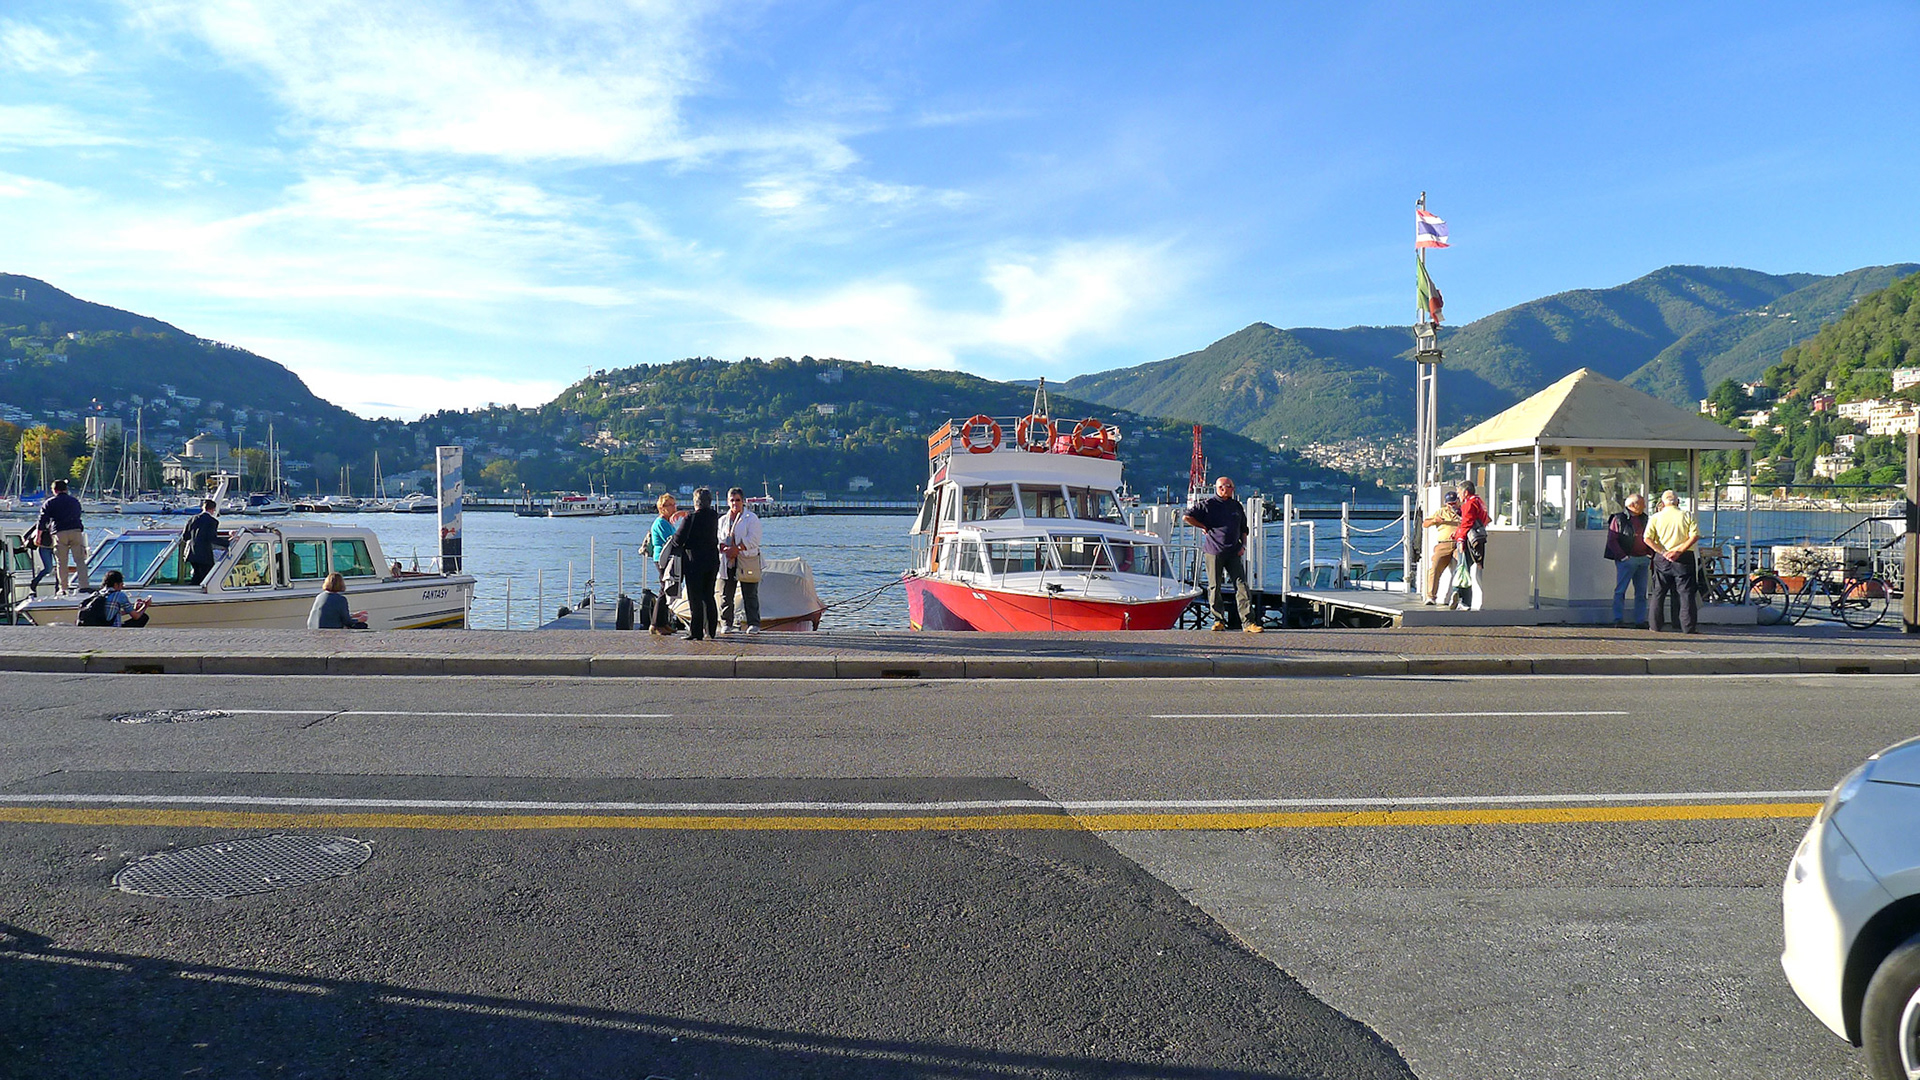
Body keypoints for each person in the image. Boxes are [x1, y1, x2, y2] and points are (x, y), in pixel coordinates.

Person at [1183, 476, 1261, 632]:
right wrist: (1203, 525)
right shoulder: (1208, 505)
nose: (1231, 489)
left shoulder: (1236, 506)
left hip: (1233, 551)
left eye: (1232, 487)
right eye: (1228, 487)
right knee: (1214, 586)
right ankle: (1218, 620)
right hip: (1214, 551)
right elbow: (1187, 517)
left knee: (1241, 585)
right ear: (1220, 488)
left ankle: (1248, 622)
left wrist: (1243, 546)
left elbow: (1244, 529)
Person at [667, 487, 721, 640]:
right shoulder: (713, 516)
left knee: (695, 598)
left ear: (695, 502)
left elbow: (678, 540)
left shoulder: (691, 518)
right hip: (712, 560)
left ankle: (696, 632)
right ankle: (711, 630)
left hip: (694, 562)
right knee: (709, 596)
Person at [1645, 489, 1699, 634]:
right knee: (1686, 593)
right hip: (1684, 557)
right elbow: (1694, 536)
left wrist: (1662, 552)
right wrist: (1679, 551)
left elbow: (1647, 538)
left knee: (1659, 592)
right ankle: (1688, 627)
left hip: (1662, 558)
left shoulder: (1655, 517)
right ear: (1678, 501)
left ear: (1662, 502)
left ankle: (1655, 626)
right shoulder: (1687, 515)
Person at [719, 487, 762, 634]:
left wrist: (736, 549)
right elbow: (718, 539)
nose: (735, 503)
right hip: (728, 561)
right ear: (728, 502)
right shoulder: (722, 520)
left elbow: (754, 539)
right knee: (726, 594)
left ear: (743, 501)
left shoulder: (751, 518)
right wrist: (725, 549)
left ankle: (754, 623)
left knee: (750, 593)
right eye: (732, 500)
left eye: (738, 500)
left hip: (746, 560)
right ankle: (726, 623)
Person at [1604, 493, 1652, 627]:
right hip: (1627, 559)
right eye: (1642, 503)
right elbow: (1612, 540)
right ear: (1632, 505)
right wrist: (1623, 556)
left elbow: (1651, 536)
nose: (1644, 506)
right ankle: (1618, 619)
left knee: (1641, 592)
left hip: (1643, 559)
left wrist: (1649, 554)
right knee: (1620, 590)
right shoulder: (1619, 519)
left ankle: (1640, 620)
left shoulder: (1645, 519)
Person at [35, 478, 87, 594]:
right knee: (80, 560)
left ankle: (63, 588)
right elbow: (79, 515)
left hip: (60, 532)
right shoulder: (75, 501)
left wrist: (38, 537)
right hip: (76, 531)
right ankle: (84, 586)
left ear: (54, 490)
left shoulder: (50, 502)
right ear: (66, 489)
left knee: (61, 562)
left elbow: (42, 520)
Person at [642, 494, 681, 635]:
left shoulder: (668, 522)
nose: (674, 507)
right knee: (665, 589)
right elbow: (671, 540)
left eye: (674, 504)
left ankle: (662, 622)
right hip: (662, 558)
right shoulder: (661, 523)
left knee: (666, 589)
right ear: (662, 507)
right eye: (671, 504)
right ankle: (656, 624)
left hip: (668, 557)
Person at [1450, 479, 1490, 608]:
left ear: (1466, 492)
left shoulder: (1469, 504)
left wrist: (1460, 538)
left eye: (1459, 492)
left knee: (1462, 568)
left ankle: (1462, 598)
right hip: (1478, 540)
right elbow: (1484, 519)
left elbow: (1467, 523)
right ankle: (1462, 598)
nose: (1458, 495)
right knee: (1466, 567)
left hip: (1468, 540)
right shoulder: (1480, 502)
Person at [1420, 491, 1461, 605]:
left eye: (1453, 503)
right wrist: (1435, 520)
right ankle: (1431, 597)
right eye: (1449, 504)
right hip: (1444, 544)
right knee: (1435, 568)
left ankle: (1459, 595)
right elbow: (1425, 523)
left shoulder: (1463, 511)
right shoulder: (1441, 512)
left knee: (1462, 567)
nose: (1451, 506)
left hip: (1459, 543)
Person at [178, 498, 225, 585]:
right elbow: (212, 538)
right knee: (207, 577)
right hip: (204, 555)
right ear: (213, 510)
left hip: (191, 554)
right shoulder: (212, 521)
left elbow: (185, 537)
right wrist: (227, 543)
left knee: (197, 575)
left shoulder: (191, 519)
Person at [26, 519, 55, 597]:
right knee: (48, 568)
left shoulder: (60, 519)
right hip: (44, 546)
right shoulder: (43, 521)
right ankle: (35, 582)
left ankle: (58, 588)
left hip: (58, 545)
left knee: (60, 567)